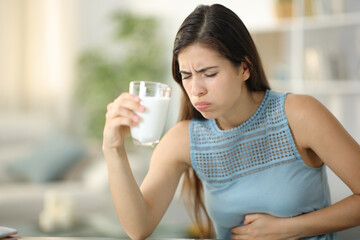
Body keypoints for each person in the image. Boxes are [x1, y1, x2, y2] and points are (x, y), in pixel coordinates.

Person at [102, 4, 360, 240]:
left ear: (244, 68)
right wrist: (113, 148)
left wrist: (291, 228)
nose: (196, 89)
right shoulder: (184, 140)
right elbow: (138, 228)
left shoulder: (299, 115)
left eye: (209, 74)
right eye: (186, 76)